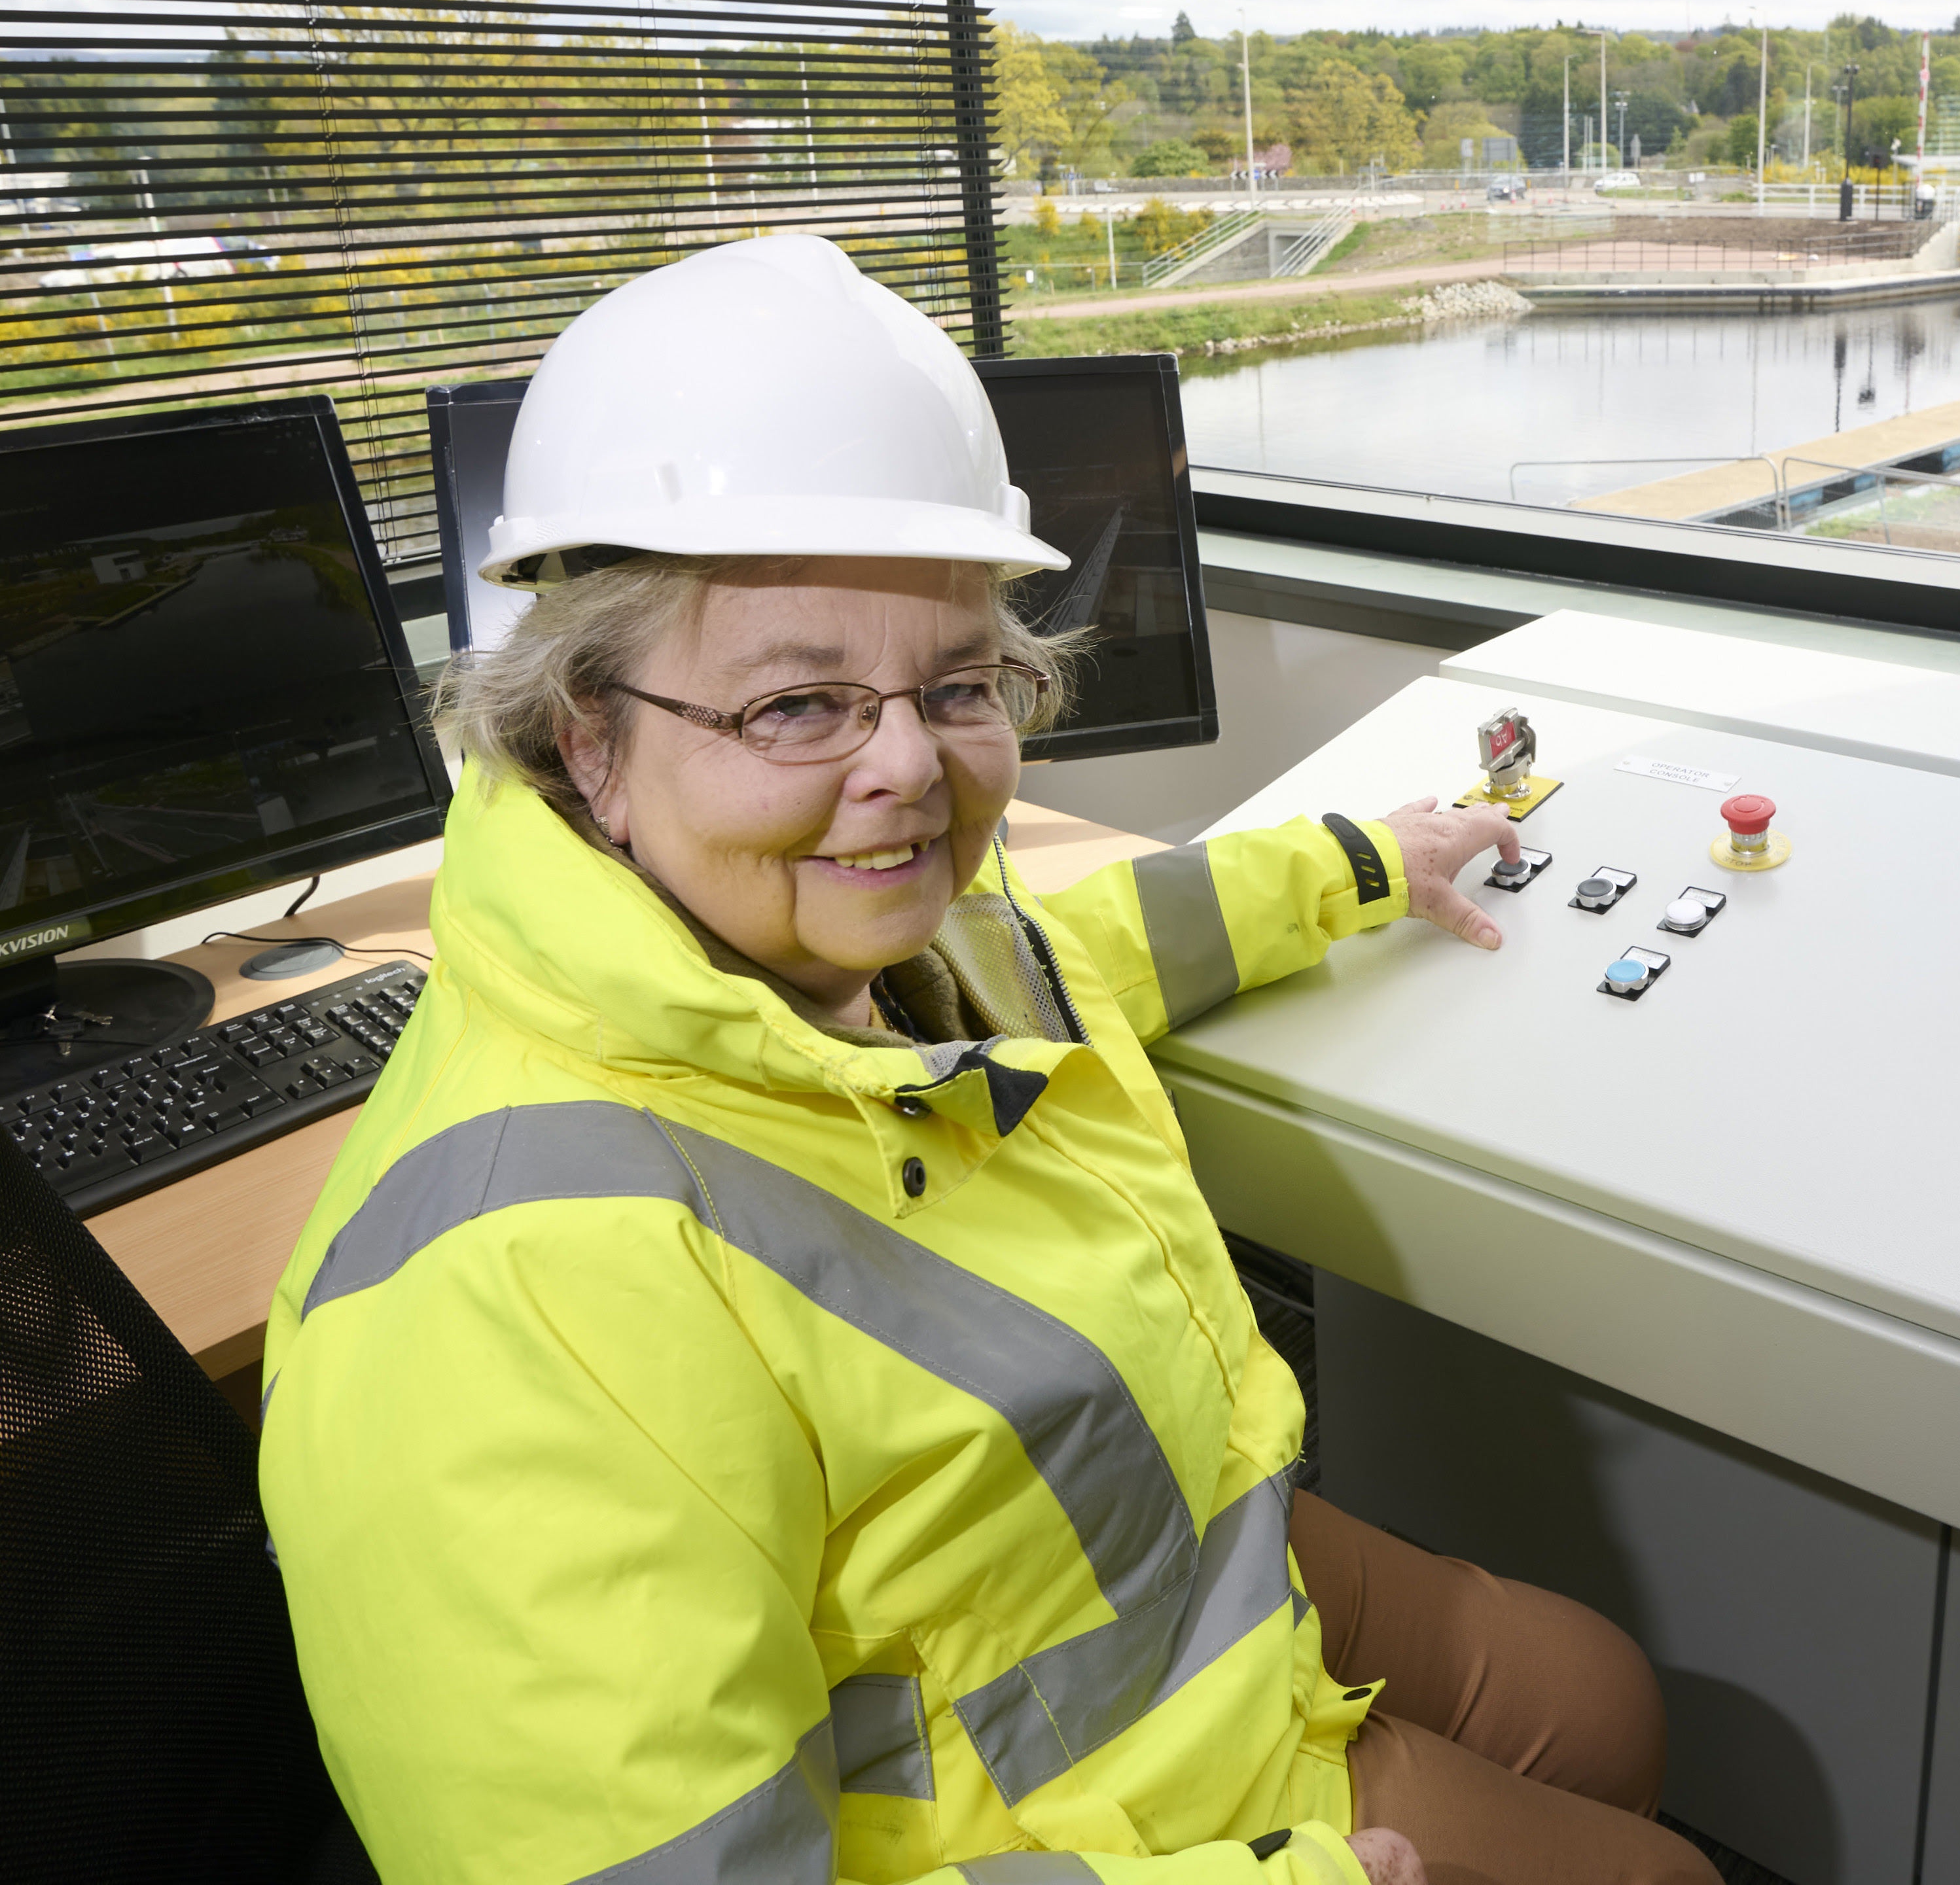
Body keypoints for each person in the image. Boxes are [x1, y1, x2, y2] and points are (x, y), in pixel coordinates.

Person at [258, 235, 1722, 1885]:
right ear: (586, 734)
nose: (909, 771)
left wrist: (1353, 862)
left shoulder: (853, 938)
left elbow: (1059, 957)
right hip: (1070, 1823)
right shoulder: (505, 1308)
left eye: (957, 684)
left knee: (1607, 1702)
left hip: (1141, 1567)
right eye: (797, 706)